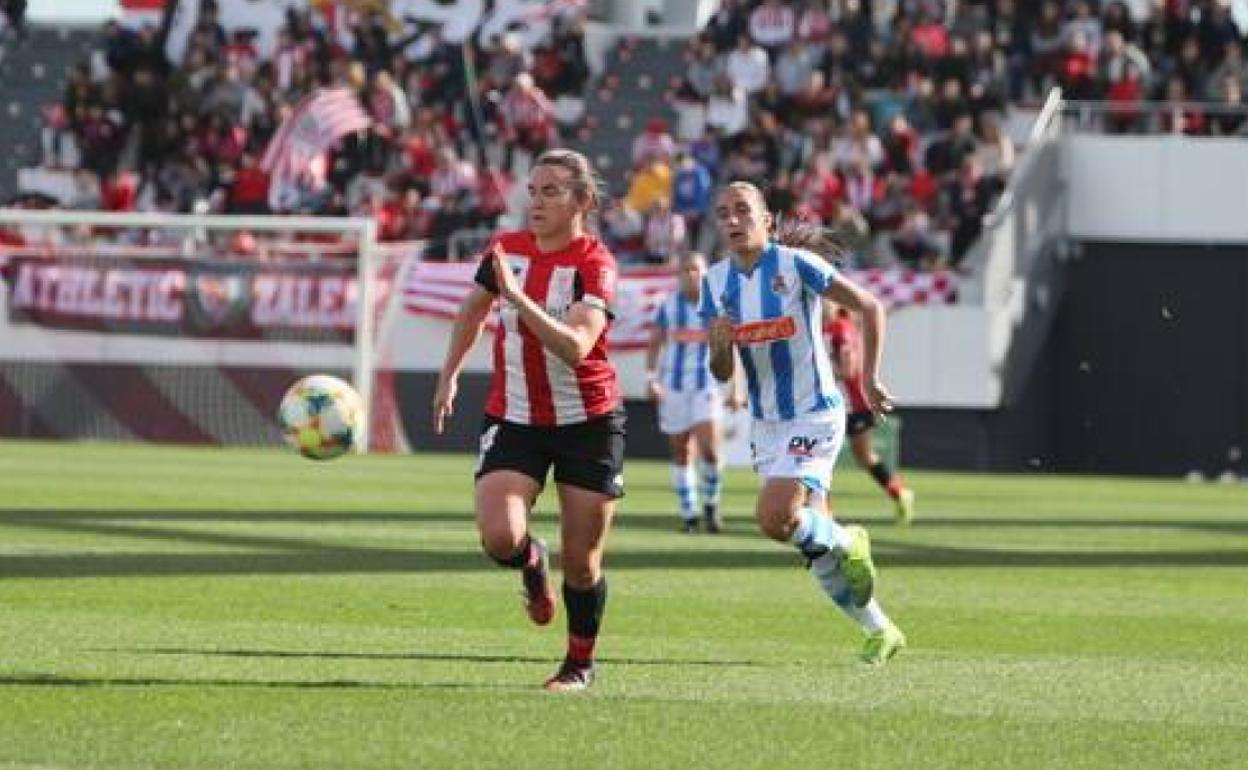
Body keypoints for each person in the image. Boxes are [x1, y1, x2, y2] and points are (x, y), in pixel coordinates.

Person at [433, 149, 624, 693]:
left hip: (588, 421)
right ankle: (529, 560)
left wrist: (516, 297)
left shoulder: (596, 264)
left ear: (582, 201)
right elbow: (472, 309)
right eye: (533, 190)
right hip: (515, 416)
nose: (536, 202)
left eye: (552, 192)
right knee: (499, 537)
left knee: (584, 565)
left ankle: (578, 664)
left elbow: (577, 346)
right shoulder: (505, 250)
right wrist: (449, 374)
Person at [701, 181, 906, 665]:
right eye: (723, 213)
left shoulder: (796, 266)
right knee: (809, 544)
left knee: (774, 518)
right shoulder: (715, 282)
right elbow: (720, 372)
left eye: (743, 211)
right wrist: (719, 344)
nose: (732, 221)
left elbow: (870, 307)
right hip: (766, 424)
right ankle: (881, 630)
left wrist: (871, 381)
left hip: (814, 412)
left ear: (767, 220)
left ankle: (850, 538)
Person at [644, 251, 742, 533]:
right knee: (681, 453)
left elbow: (729, 349)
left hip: (706, 387)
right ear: (678, 274)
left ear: (706, 274)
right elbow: (655, 344)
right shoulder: (667, 306)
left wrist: (735, 388)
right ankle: (689, 515)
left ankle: (711, 505)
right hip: (673, 388)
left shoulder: (717, 308)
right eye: (686, 270)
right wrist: (651, 378)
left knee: (710, 451)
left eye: (696, 270)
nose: (691, 275)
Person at [827, 306, 915, 524]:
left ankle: (899, 493)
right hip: (839, 405)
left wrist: (818, 372)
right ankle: (825, 514)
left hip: (852, 404)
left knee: (857, 457)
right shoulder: (828, 326)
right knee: (832, 459)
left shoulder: (839, 327)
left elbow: (848, 369)